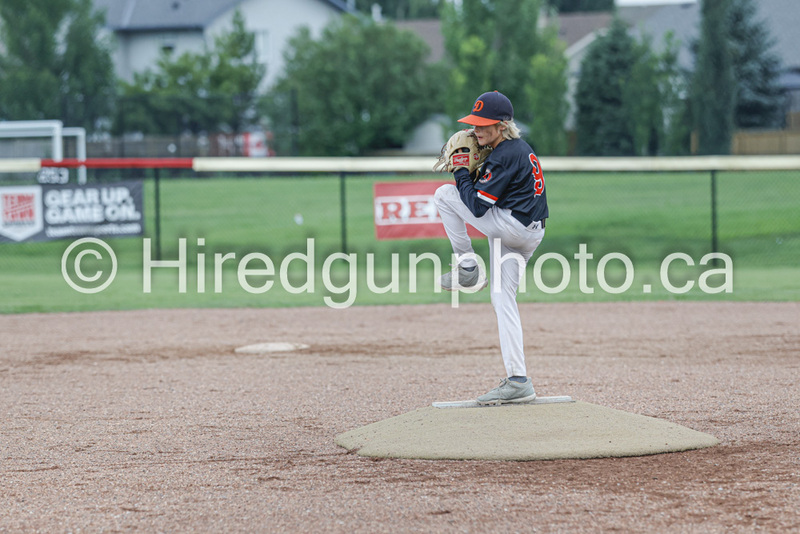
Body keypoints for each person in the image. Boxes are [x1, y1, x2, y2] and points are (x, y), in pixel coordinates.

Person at [433, 90, 548, 405]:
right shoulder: (517, 150)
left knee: (444, 195)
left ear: (503, 124)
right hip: (527, 234)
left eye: (484, 124)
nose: (477, 130)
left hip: (513, 226)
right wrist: (475, 173)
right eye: (475, 123)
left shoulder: (504, 154)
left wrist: (460, 172)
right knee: (501, 298)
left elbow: (478, 207)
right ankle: (518, 380)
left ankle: (467, 265)